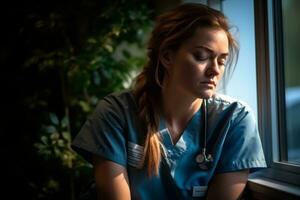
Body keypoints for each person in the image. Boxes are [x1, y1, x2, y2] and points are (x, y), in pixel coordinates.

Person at [71, 3, 267, 200]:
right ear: (167, 56)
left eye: (222, 60)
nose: (215, 70)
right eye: (201, 56)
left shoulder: (235, 119)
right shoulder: (116, 113)